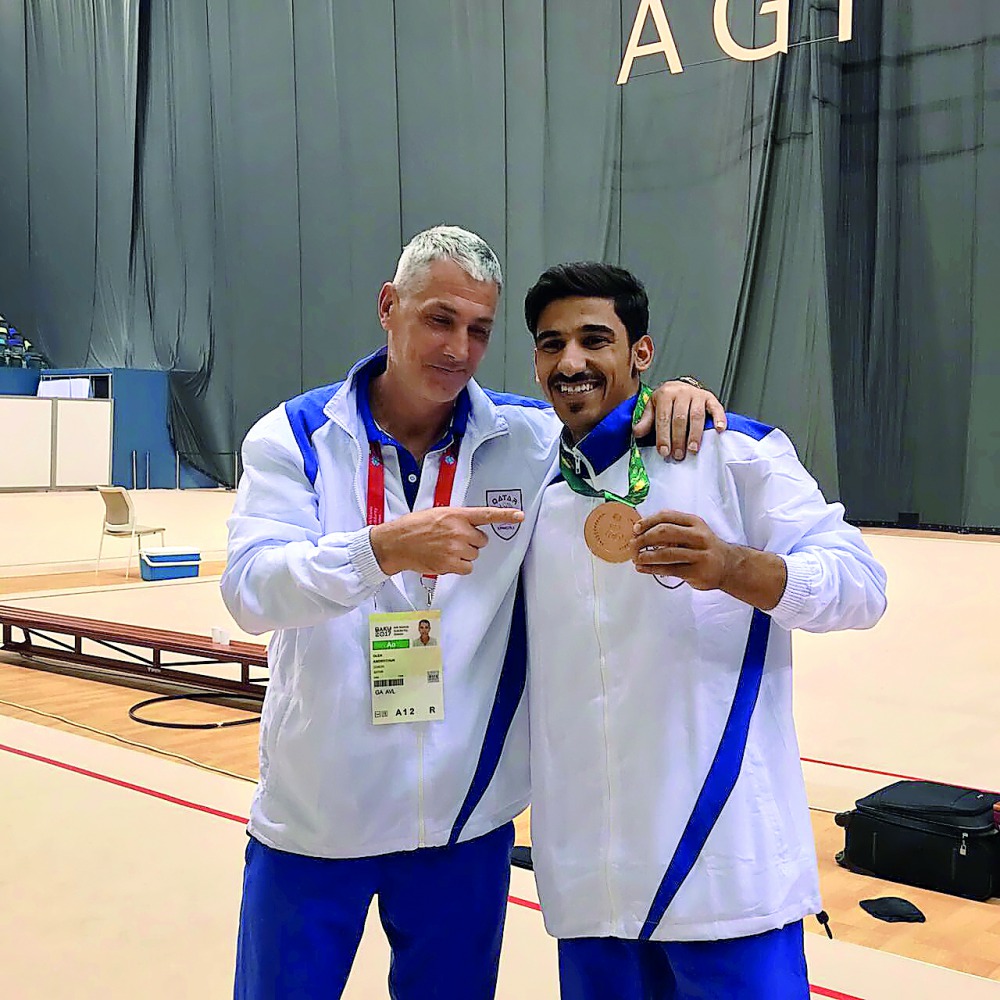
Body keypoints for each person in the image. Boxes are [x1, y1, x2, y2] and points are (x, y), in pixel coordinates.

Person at [221, 226, 725, 999]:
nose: (459, 347)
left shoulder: (527, 439)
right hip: (320, 812)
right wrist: (379, 552)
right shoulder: (296, 437)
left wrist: (675, 392)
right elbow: (251, 592)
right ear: (389, 307)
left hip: (463, 821)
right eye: (439, 319)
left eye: (480, 329)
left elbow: (618, 416)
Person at [520, 262, 888, 999]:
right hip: (592, 890)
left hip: (723, 877)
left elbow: (861, 585)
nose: (571, 363)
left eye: (596, 339)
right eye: (550, 343)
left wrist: (733, 567)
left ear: (642, 354)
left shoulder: (730, 450)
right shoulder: (539, 482)